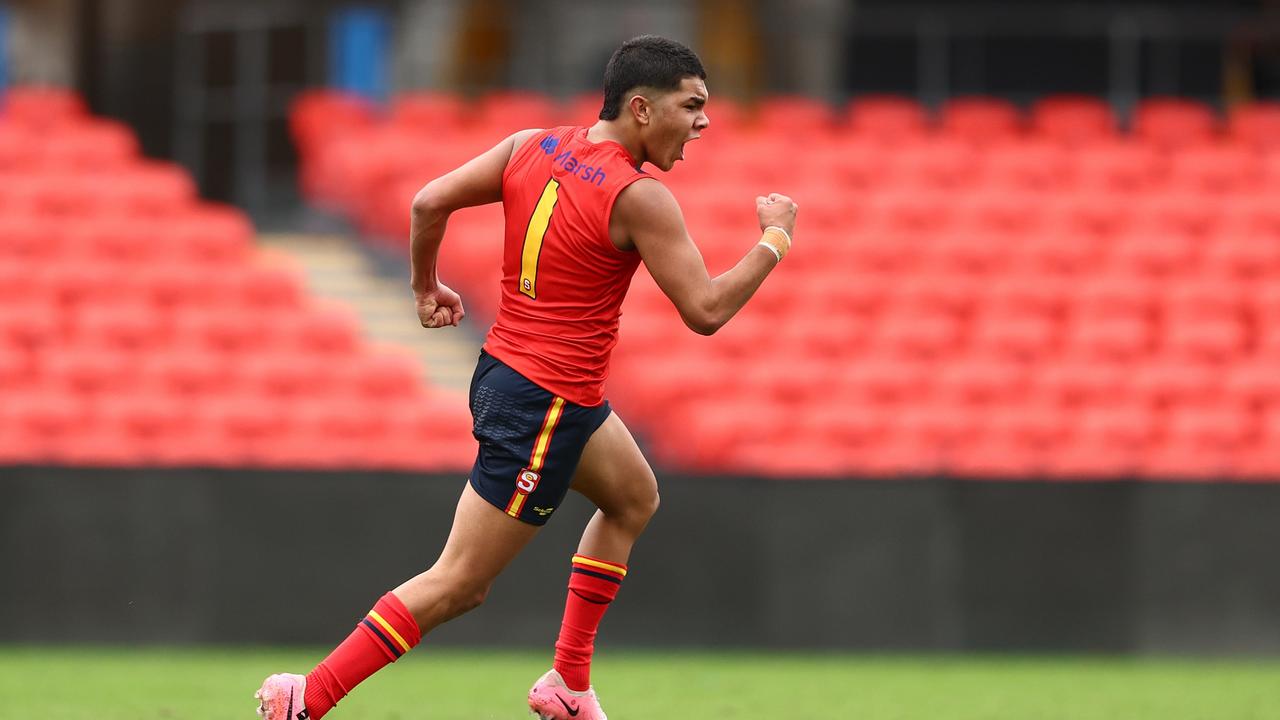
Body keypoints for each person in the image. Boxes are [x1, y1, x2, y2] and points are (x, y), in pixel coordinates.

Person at [256, 34, 797, 720]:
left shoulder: (530, 145)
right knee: (459, 584)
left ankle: (568, 685)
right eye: (692, 105)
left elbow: (427, 202)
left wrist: (426, 288)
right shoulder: (641, 197)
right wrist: (775, 239)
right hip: (546, 403)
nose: (704, 122)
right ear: (640, 108)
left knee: (632, 496)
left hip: (514, 375)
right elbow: (707, 310)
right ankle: (308, 697)